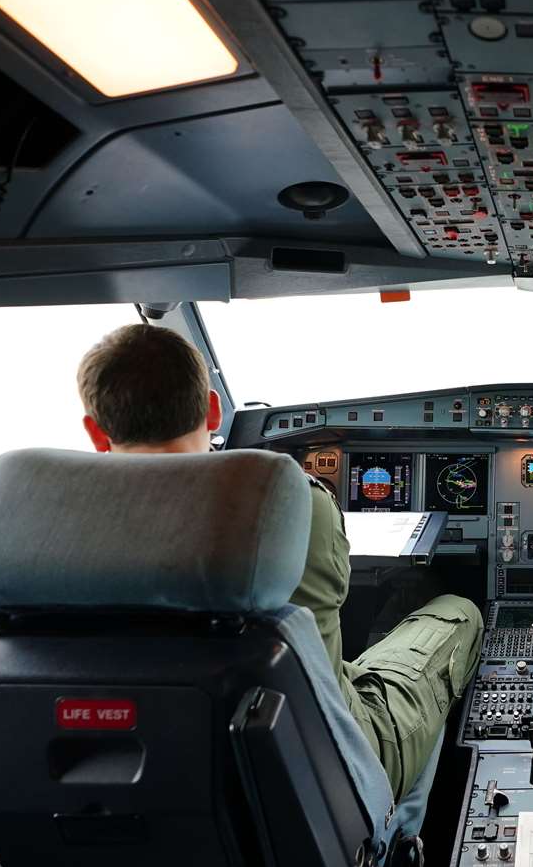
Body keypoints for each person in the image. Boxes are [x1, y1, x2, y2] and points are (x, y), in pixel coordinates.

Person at [76, 323, 480, 800]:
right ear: (211, 409)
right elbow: (329, 611)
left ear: (96, 432)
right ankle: (398, 829)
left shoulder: (44, 539)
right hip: (325, 758)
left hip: (138, 763)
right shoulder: (289, 504)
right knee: (457, 609)